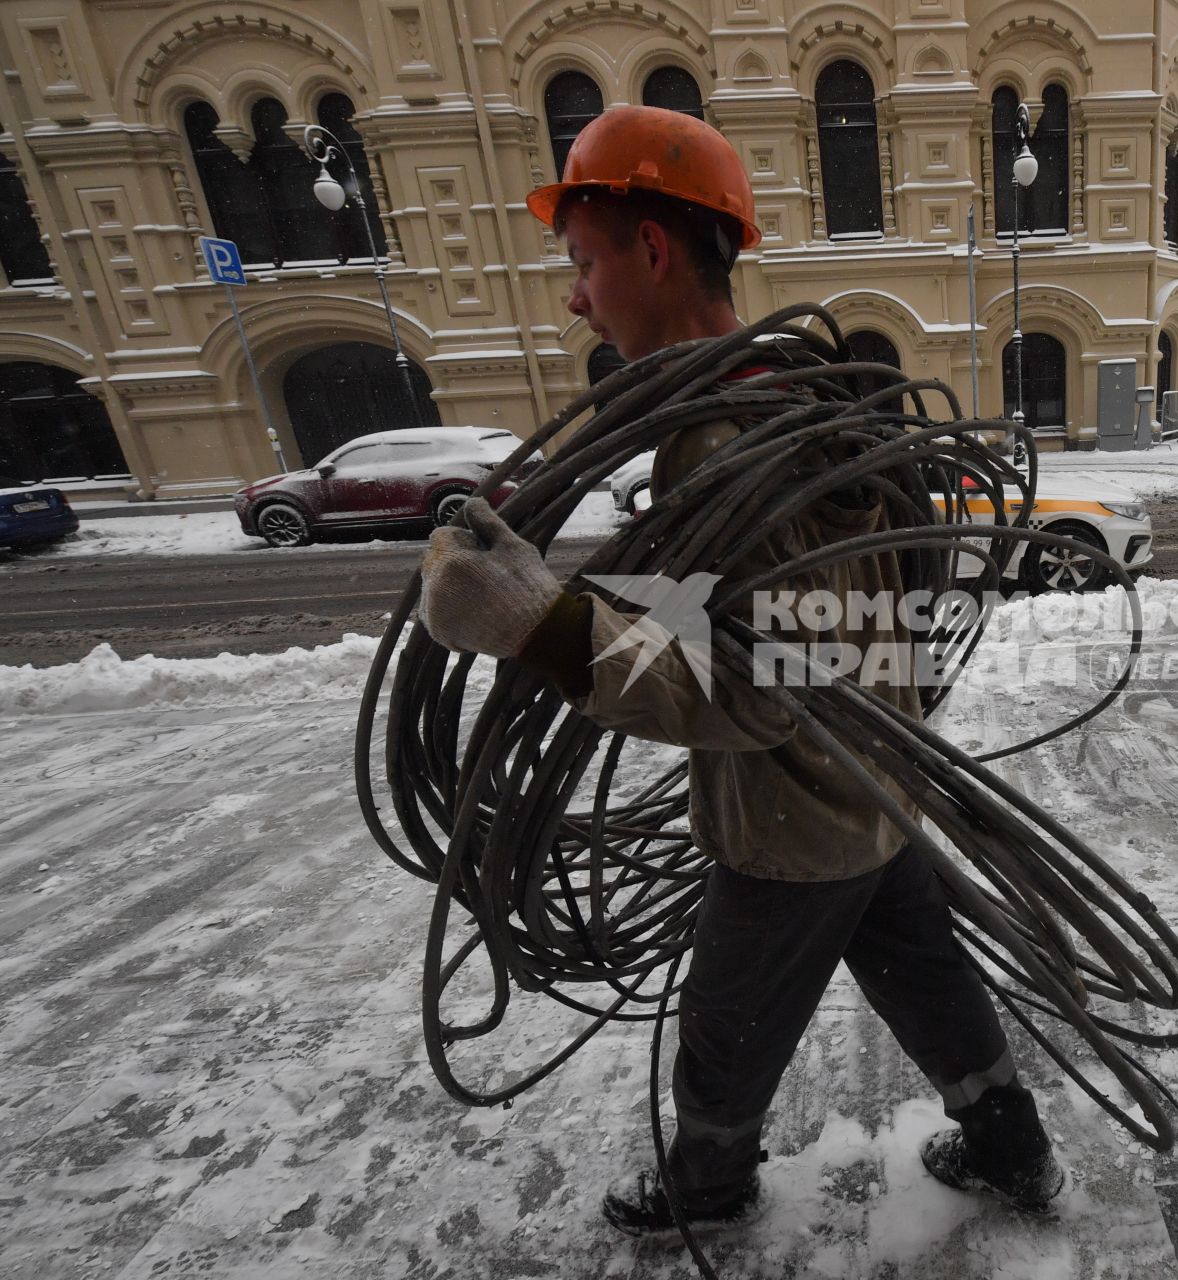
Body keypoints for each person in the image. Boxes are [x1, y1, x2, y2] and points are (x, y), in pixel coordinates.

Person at [414, 106, 1064, 1234]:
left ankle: (705, 1191)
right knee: (926, 973)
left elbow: (759, 682)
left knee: (723, 1022)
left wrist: (539, 624)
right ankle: (1016, 1151)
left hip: (794, 815)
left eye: (583, 262)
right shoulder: (797, 394)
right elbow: (822, 611)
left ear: (652, 251)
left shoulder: (726, 439)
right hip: (872, 780)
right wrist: (620, 601)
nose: (574, 294)